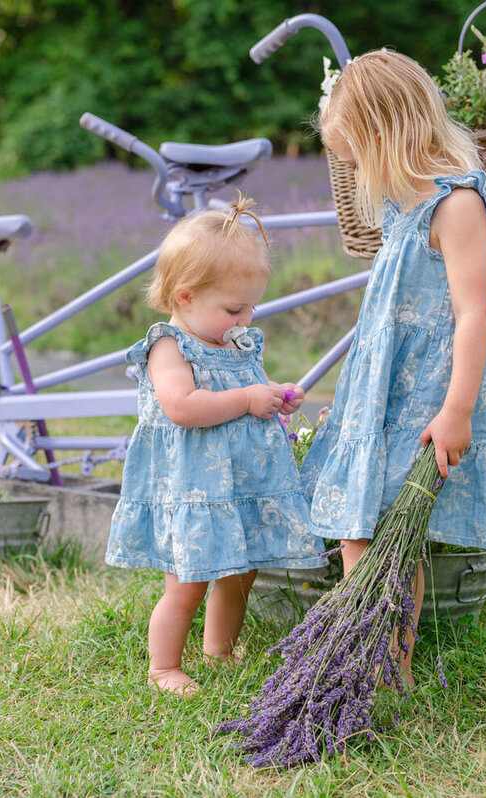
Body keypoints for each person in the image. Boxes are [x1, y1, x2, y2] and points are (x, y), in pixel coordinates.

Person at [302, 50, 486, 682]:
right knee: (361, 526)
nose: (352, 174)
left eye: (353, 157)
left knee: (388, 534)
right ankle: (365, 655)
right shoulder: (404, 206)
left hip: (428, 396)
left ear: (385, 136)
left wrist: (457, 410)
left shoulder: (457, 206)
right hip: (384, 390)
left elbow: (474, 315)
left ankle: (387, 665)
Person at [105, 196, 324, 696]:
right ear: (184, 297)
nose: (245, 317)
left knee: (240, 573)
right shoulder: (168, 346)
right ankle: (163, 666)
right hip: (195, 490)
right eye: (233, 308)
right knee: (186, 582)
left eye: (251, 306)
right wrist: (247, 398)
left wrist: (274, 398)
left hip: (240, 485)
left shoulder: (238, 343)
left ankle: (219, 649)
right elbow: (183, 406)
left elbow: (250, 395)